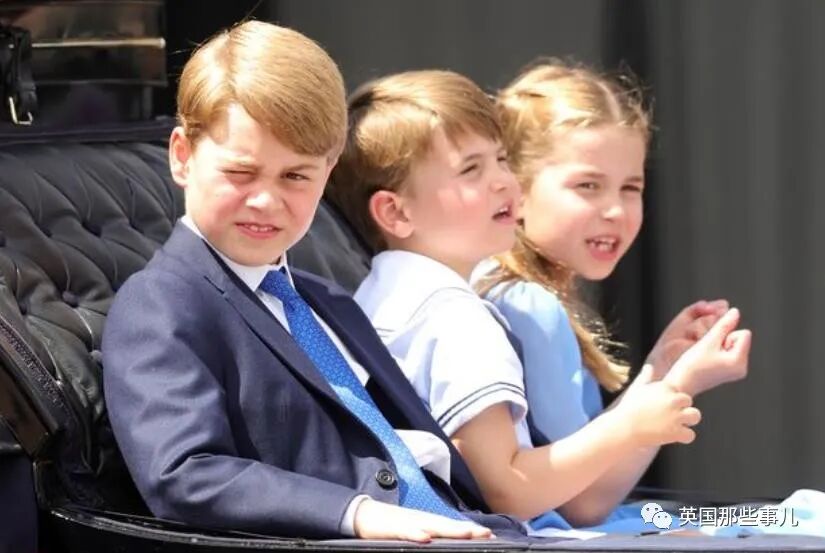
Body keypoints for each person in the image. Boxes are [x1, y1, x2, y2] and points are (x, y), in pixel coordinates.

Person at [101, 21, 524, 542]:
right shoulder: (162, 302)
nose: (266, 200)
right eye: (240, 173)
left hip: (477, 531)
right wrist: (358, 514)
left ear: (327, 172)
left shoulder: (327, 300)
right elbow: (184, 472)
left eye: (296, 176)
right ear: (183, 156)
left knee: (627, 532)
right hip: (356, 539)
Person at [327, 68, 747, 534]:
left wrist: (660, 374)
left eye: (501, 160)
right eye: (471, 169)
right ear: (395, 211)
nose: (504, 182)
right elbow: (515, 492)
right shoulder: (460, 318)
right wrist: (646, 410)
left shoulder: (374, 297)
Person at [470, 61, 752, 531]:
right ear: (515, 188)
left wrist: (662, 366)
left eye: (630, 187)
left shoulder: (512, 288)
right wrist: (681, 383)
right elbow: (583, 503)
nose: (616, 210)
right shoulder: (527, 304)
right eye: (588, 186)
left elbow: (589, 460)